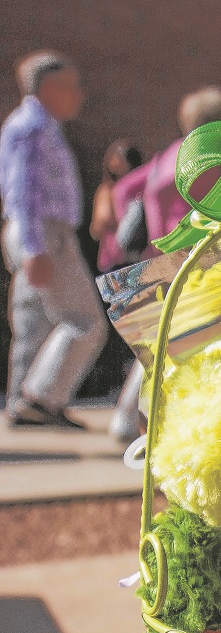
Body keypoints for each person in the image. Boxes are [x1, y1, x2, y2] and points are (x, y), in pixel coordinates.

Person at [108, 86, 221, 443]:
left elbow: (122, 191)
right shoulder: (219, 153)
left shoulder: (167, 156)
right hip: (203, 260)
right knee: (183, 341)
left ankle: (125, 420)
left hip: (159, 261)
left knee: (158, 341)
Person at [0, 50, 107, 429]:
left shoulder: (31, 125)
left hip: (33, 230)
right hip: (43, 231)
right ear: (49, 88)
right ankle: (39, 397)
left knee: (35, 322)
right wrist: (34, 247)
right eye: (72, 87)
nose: (79, 95)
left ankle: (23, 404)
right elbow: (23, 190)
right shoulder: (34, 128)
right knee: (85, 322)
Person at [90, 139, 144, 273]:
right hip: (124, 257)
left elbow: (101, 223)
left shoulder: (110, 190)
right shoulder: (108, 190)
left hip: (121, 256)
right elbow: (100, 226)